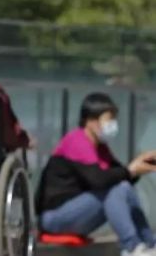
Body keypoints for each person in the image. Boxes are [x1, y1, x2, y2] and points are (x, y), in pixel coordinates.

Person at [37, 93, 156, 256]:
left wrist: (140, 167)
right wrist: (130, 170)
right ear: (91, 121)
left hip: (79, 213)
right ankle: (131, 247)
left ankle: (149, 243)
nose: (113, 124)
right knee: (117, 188)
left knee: (124, 188)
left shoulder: (100, 147)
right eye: (109, 119)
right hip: (55, 217)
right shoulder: (76, 140)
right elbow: (99, 180)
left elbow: (120, 176)